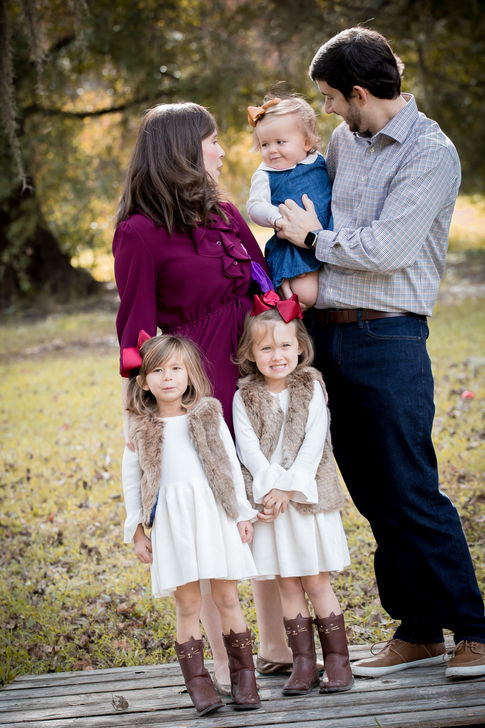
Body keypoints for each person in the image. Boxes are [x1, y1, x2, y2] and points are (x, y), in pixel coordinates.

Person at [276, 26, 485, 679]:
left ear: (359, 92)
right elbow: (312, 199)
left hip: (388, 336)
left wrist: (313, 238)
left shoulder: (430, 153)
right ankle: (418, 629)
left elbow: (387, 248)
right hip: (327, 334)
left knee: (410, 488)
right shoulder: (345, 142)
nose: (327, 109)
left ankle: (475, 631)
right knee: (372, 492)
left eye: (330, 97)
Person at [112, 101, 293, 694]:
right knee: (215, 521)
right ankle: (224, 663)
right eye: (212, 141)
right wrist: (142, 414)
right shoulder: (138, 233)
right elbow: (138, 332)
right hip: (200, 394)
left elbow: (263, 287)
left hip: (253, 379)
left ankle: (275, 647)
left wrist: (283, 356)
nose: (221, 150)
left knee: (260, 506)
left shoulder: (225, 213)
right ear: (184, 151)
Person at [122, 333, 260, 714]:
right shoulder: (141, 429)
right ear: (143, 381)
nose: (168, 377)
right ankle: (199, 685)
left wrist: (241, 514)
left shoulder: (208, 415)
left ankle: (244, 679)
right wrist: (136, 531)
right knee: (187, 604)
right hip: (173, 523)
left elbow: (229, 465)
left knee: (227, 597)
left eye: (176, 369)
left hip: (214, 515)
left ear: (190, 374)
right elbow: (131, 482)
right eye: (158, 371)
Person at [232, 291, 353, 695]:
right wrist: (271, 490)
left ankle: (338, 661)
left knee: (315, 580)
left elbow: (314, 443)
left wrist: (288, 487)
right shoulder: (244, 396)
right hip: (272, 506)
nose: (277, 355)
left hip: (306, 501)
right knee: (286, 583)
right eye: (266, 348)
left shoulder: (310, 387)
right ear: (251, 353)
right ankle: (303, 663)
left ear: (300, 347)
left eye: (285, 346)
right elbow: (248, 450)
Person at [246, 95, 332, 309]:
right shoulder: (265, 174)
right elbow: (255, 207)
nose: (272, 150)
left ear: (307, 142)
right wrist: (277, 218)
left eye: (280, 142)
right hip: (293, 245)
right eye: (265, 144)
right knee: (306, 295)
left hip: (327, 236)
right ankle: (287, 303)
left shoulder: (319, 161)